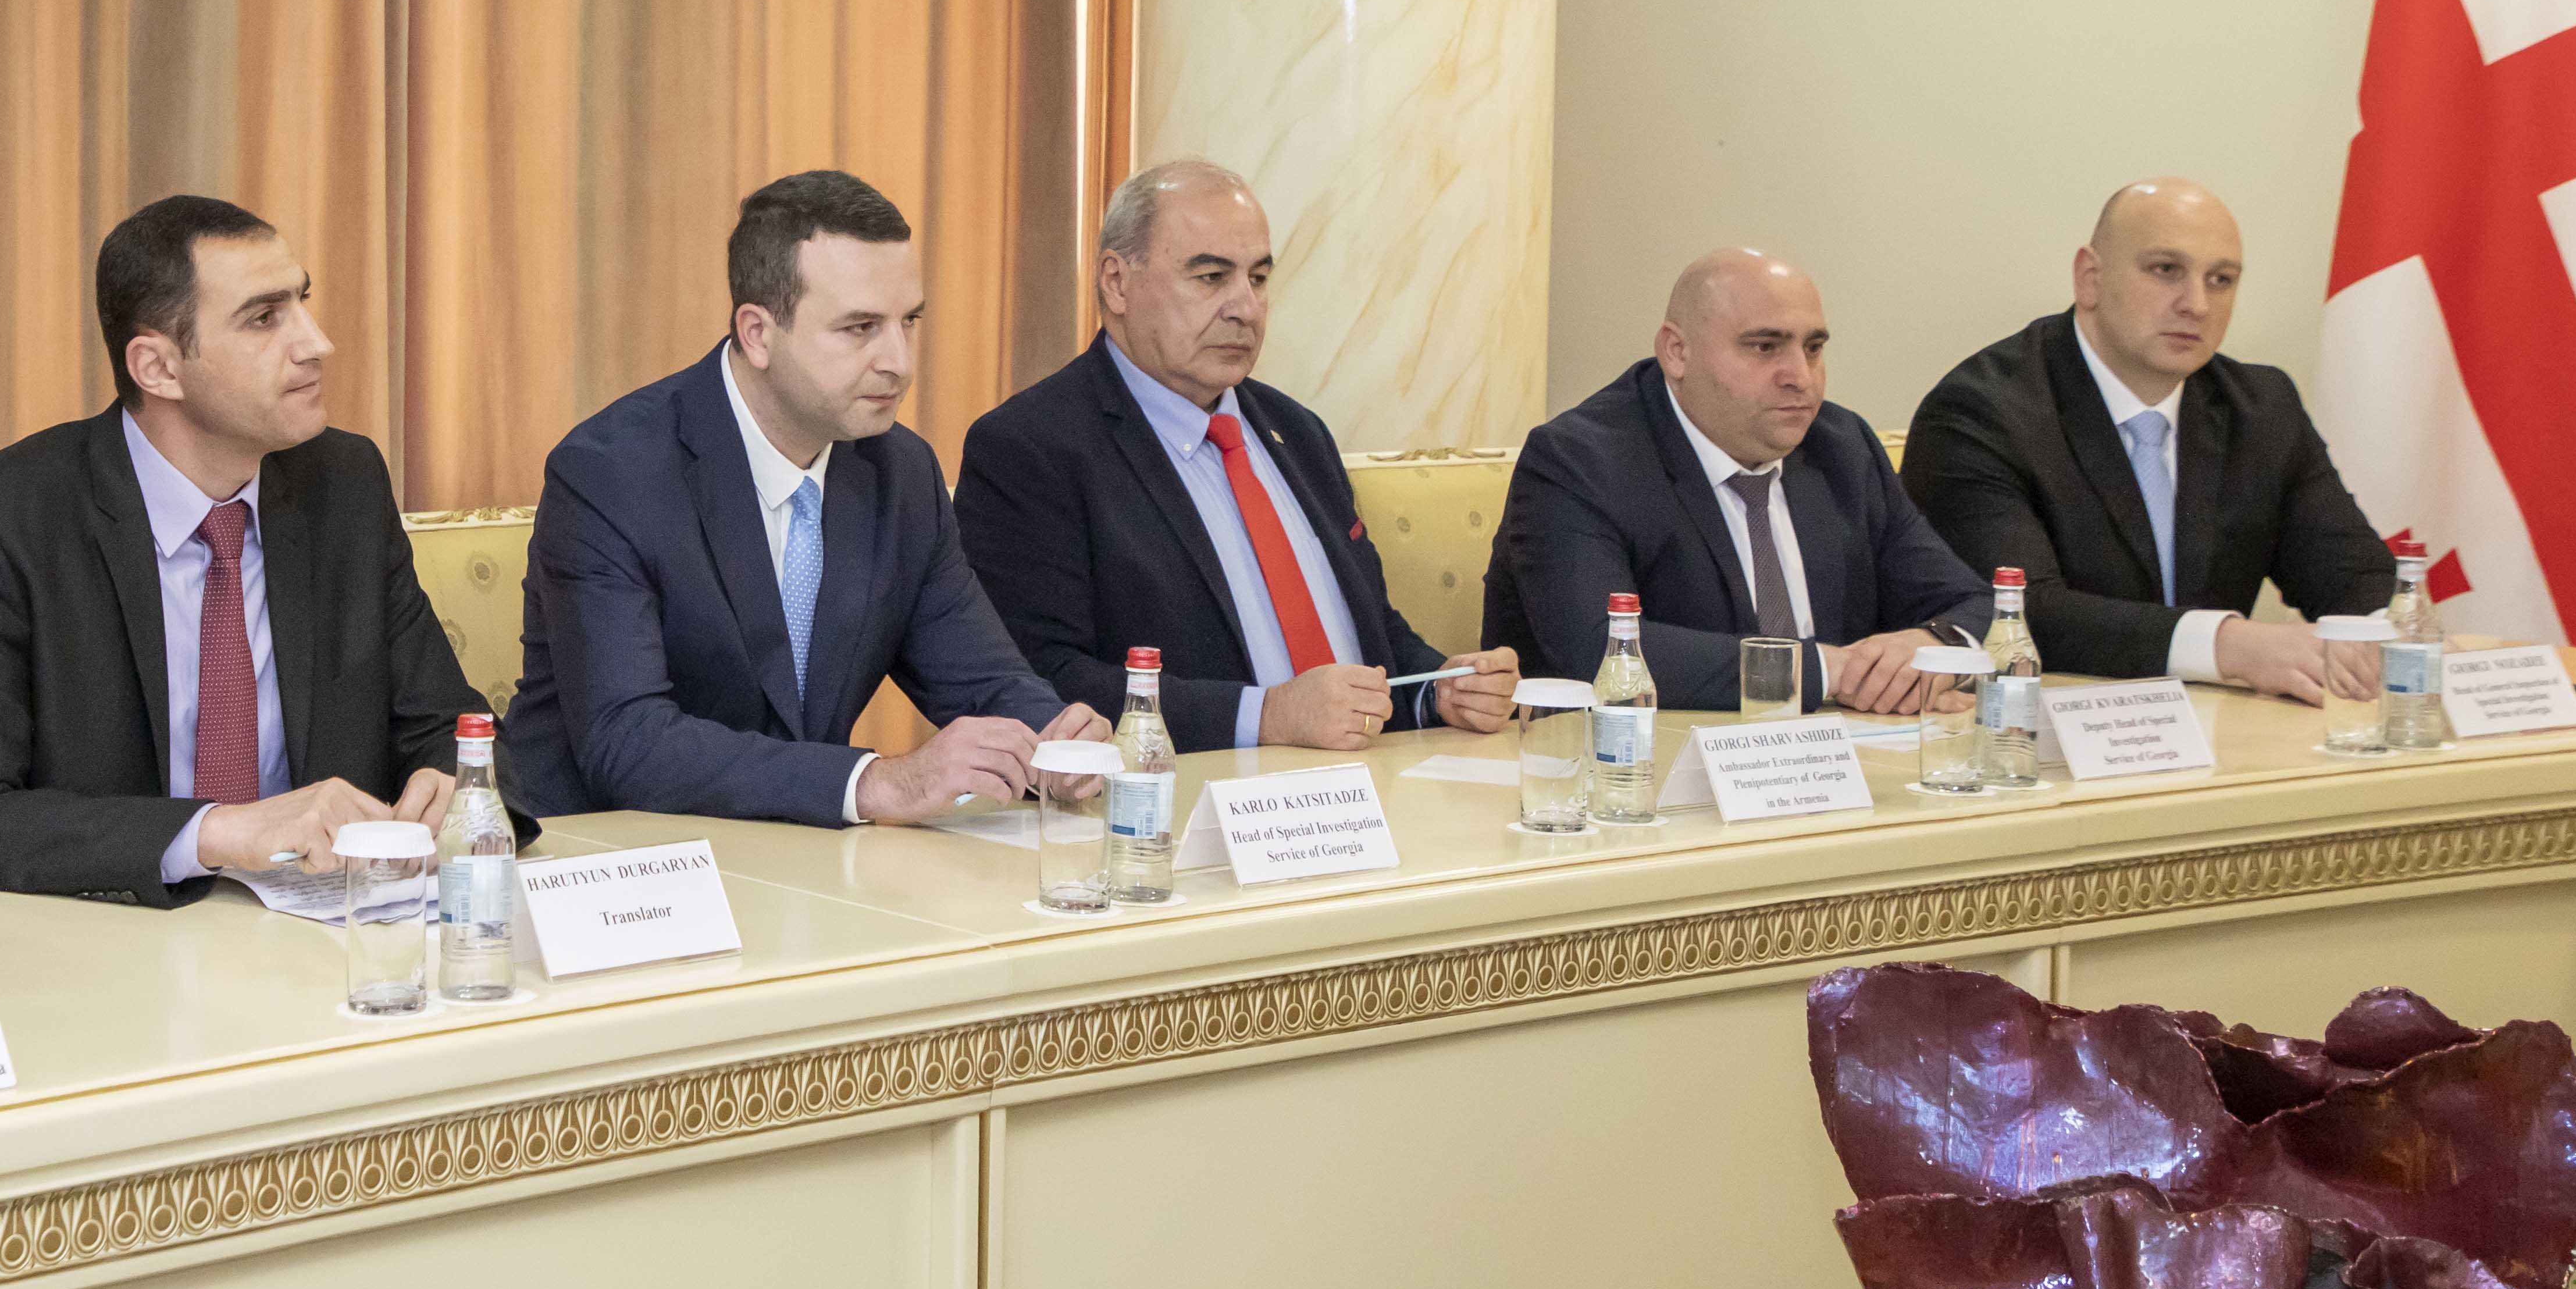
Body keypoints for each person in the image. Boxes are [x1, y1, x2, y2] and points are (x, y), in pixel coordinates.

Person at [0, 195, 490, 905]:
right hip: (87, 938)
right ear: (158, 368)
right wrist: (214, 831)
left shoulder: (344, 486)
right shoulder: (1, 520)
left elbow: (449, 725)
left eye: (301, 302)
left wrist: (455, 783)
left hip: (305, 934)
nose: (317, 343)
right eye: (264, 318)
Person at [503, 170, 1106, 825]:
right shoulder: (611, 473)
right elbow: (628, 741)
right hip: (610, 853)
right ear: (758, 334)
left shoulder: (901, 473)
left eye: (909, 321)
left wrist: (1057, 740)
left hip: (802, 859)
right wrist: (875, 783)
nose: (900, 362)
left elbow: (981, 677)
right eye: (860, 327)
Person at [956, 161, 1522, 753]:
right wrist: (1263, 715)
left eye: (1258, 278)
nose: (1245, 308)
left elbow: (1371, 632)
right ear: (1117, 283)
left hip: (1369, 786)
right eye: (1210, 277)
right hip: (1191, 798)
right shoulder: (1030, 448)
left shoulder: (1299, 432)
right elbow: (1039, 681)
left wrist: (1438, 689)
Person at [1902, 179, 2395, 702]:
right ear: (2090, 278)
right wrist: (2230, 646)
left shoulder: (2261, 407)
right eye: (2166, 270)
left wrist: (2382, 637)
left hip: (2219, 729)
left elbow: (2355, 577)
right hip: (2047, 729)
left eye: (2221, 280)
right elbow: (2017, 616)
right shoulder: (1982, 412)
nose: (2198, 305)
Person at [1486, 249, 1982, 713]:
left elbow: (1977, 604)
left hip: (1835, 755)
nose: (1801, 377)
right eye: (1765, 347)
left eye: (1813, 348)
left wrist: (1933, 648)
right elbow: (1599, 650)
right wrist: (1829, 671)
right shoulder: (1580, 460)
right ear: (1677, 352)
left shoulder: (1842, 447)